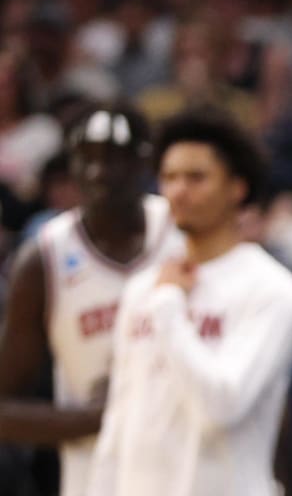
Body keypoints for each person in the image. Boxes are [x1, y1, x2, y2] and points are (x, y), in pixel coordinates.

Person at [86, 108, 292, 496]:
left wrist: (170, 306)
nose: (178, 191)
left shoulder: (272, 289)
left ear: (237, 188)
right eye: (169, 177)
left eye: (196, 177)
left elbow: (221, 406)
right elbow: (118, 423)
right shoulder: (141, 289)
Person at [0, 104, 183, 496]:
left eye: (114, 159)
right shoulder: (43, 258)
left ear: (143, 162)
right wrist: (98, 417)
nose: (100, 172)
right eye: (87, 159)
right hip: (98, 478)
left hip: (187, 467)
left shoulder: (183, 232)